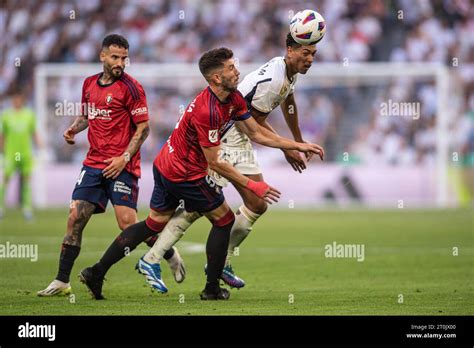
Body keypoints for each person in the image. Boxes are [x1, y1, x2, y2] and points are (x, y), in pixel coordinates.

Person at [79, 47, 324, 300]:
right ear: (216, 78)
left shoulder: (233, 97)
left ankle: (96, 272)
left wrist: (297, 144)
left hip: (166, 163)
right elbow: (216, 163)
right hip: (183, 173)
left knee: (153, 223)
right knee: (224, 219)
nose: (237, 70)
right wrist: (253, 187)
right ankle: (211, 288)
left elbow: (256, 133)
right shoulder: (208, 110)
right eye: (230, 68)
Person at [138, 32, 322, 289]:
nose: (311, 59)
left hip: (238, 140)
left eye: (313, 53)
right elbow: (253, 127)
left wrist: (297, 138)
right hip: (225, 140)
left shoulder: (287, 74)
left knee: (255, 204)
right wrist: (289, 147)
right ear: (290, 50)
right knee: (201, 207)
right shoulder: (272, 80)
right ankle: (153, 257)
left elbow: (288, 103)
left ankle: (219, 261)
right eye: (306, 53)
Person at [37, 34, 182, 298]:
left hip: (122, 165)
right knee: (75, 218)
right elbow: (88, 115)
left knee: (127, 224)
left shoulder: (132, 88)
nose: (121, 63)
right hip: (93, 163)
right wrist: (73, 128)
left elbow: (144, 129)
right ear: (102, 55)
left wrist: (123, 158)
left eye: (124, 58)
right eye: (115, 57)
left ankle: (168, 253)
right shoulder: (89, 84)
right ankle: (61, 281)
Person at [0, 91, 42, 220]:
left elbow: (34, 132)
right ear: (13, 100)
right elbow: (2, 135)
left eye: (19, 99)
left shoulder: (29, 115)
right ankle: (1, 207)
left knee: (26, 181)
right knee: (6, 179)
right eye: (15, 99)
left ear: (22, 100)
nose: (17, 101)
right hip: (10, 153)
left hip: (25, 153)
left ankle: (27, 209)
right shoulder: (6, 115)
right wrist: (1, 151)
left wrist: (40, 146)